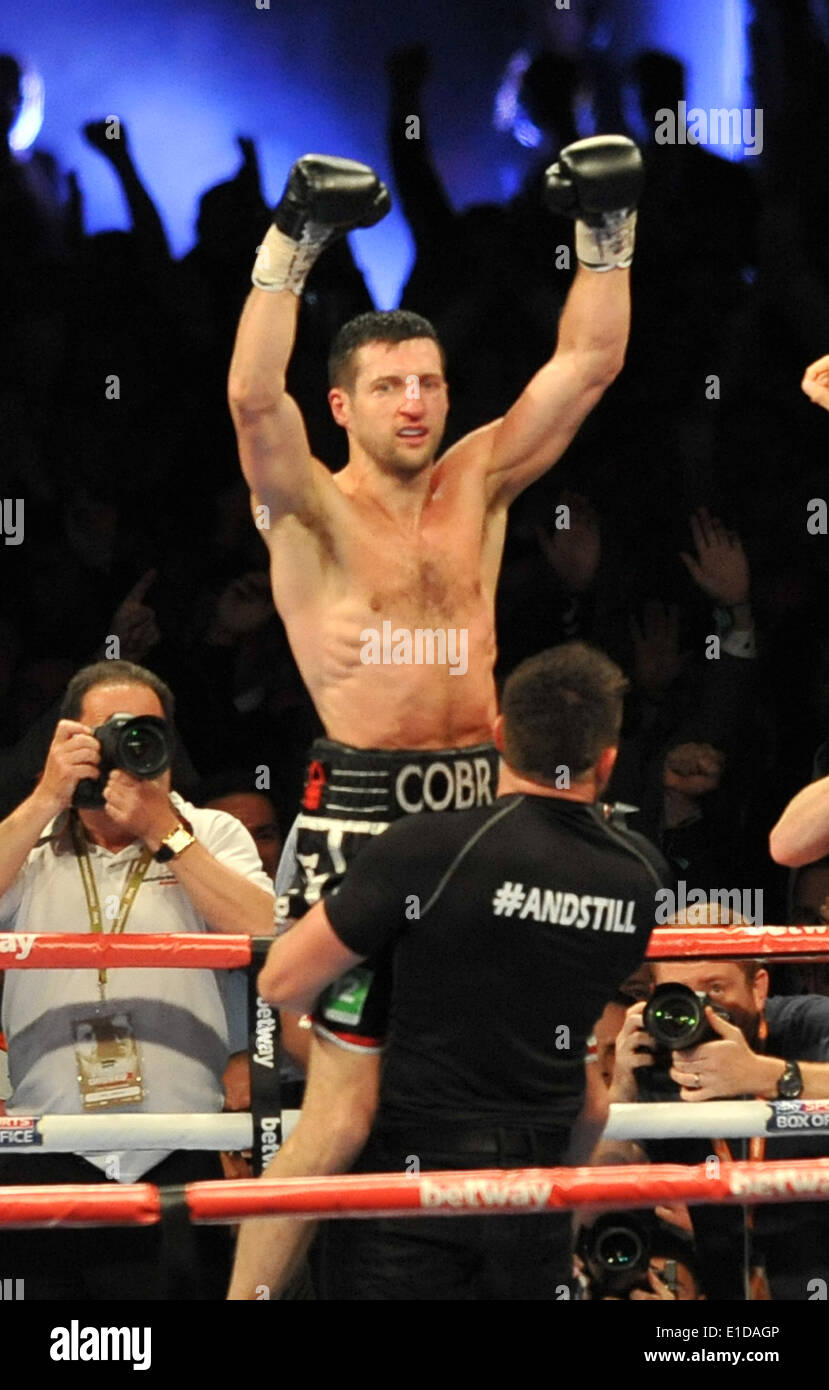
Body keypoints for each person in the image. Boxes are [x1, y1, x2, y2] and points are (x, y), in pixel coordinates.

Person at [226, 137, 644, 1298]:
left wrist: (608, 224)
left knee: (572, 1087)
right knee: (342, 1108)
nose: (415, 403)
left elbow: (588, 361)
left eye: (430, 382)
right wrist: (292, 241)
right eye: (390, 386)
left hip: (487, 820)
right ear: (344, 404)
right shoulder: (304, 506)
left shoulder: (480, 481)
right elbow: (251, 396)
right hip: (363, 824)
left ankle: (545, 1278)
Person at [256, 643, 670, 1299]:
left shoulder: (433, 846)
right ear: (608, 761)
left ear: (499, 735)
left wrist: (359, 1003)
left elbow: (280, 982)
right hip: (536, 1183)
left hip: (411, 1176)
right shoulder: (641, 874)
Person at [0, 659, 275, 1299]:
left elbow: (271, 935)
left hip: (181, 1147)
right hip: (46, 1145)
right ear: (70, 743)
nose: (124, 750)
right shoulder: (30, 839)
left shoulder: (209, 832)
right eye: (104, 736)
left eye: (142, 732)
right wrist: (45, 795)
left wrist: (164, 832)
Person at [600, 943, 829, 1299]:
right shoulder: (654, 1056)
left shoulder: (808, 1024)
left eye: (716, 990)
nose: (701, 1011)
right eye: (680, 995)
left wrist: (762, 1074)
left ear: (758, 988)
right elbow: (597, 1196)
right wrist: (622, 1090)